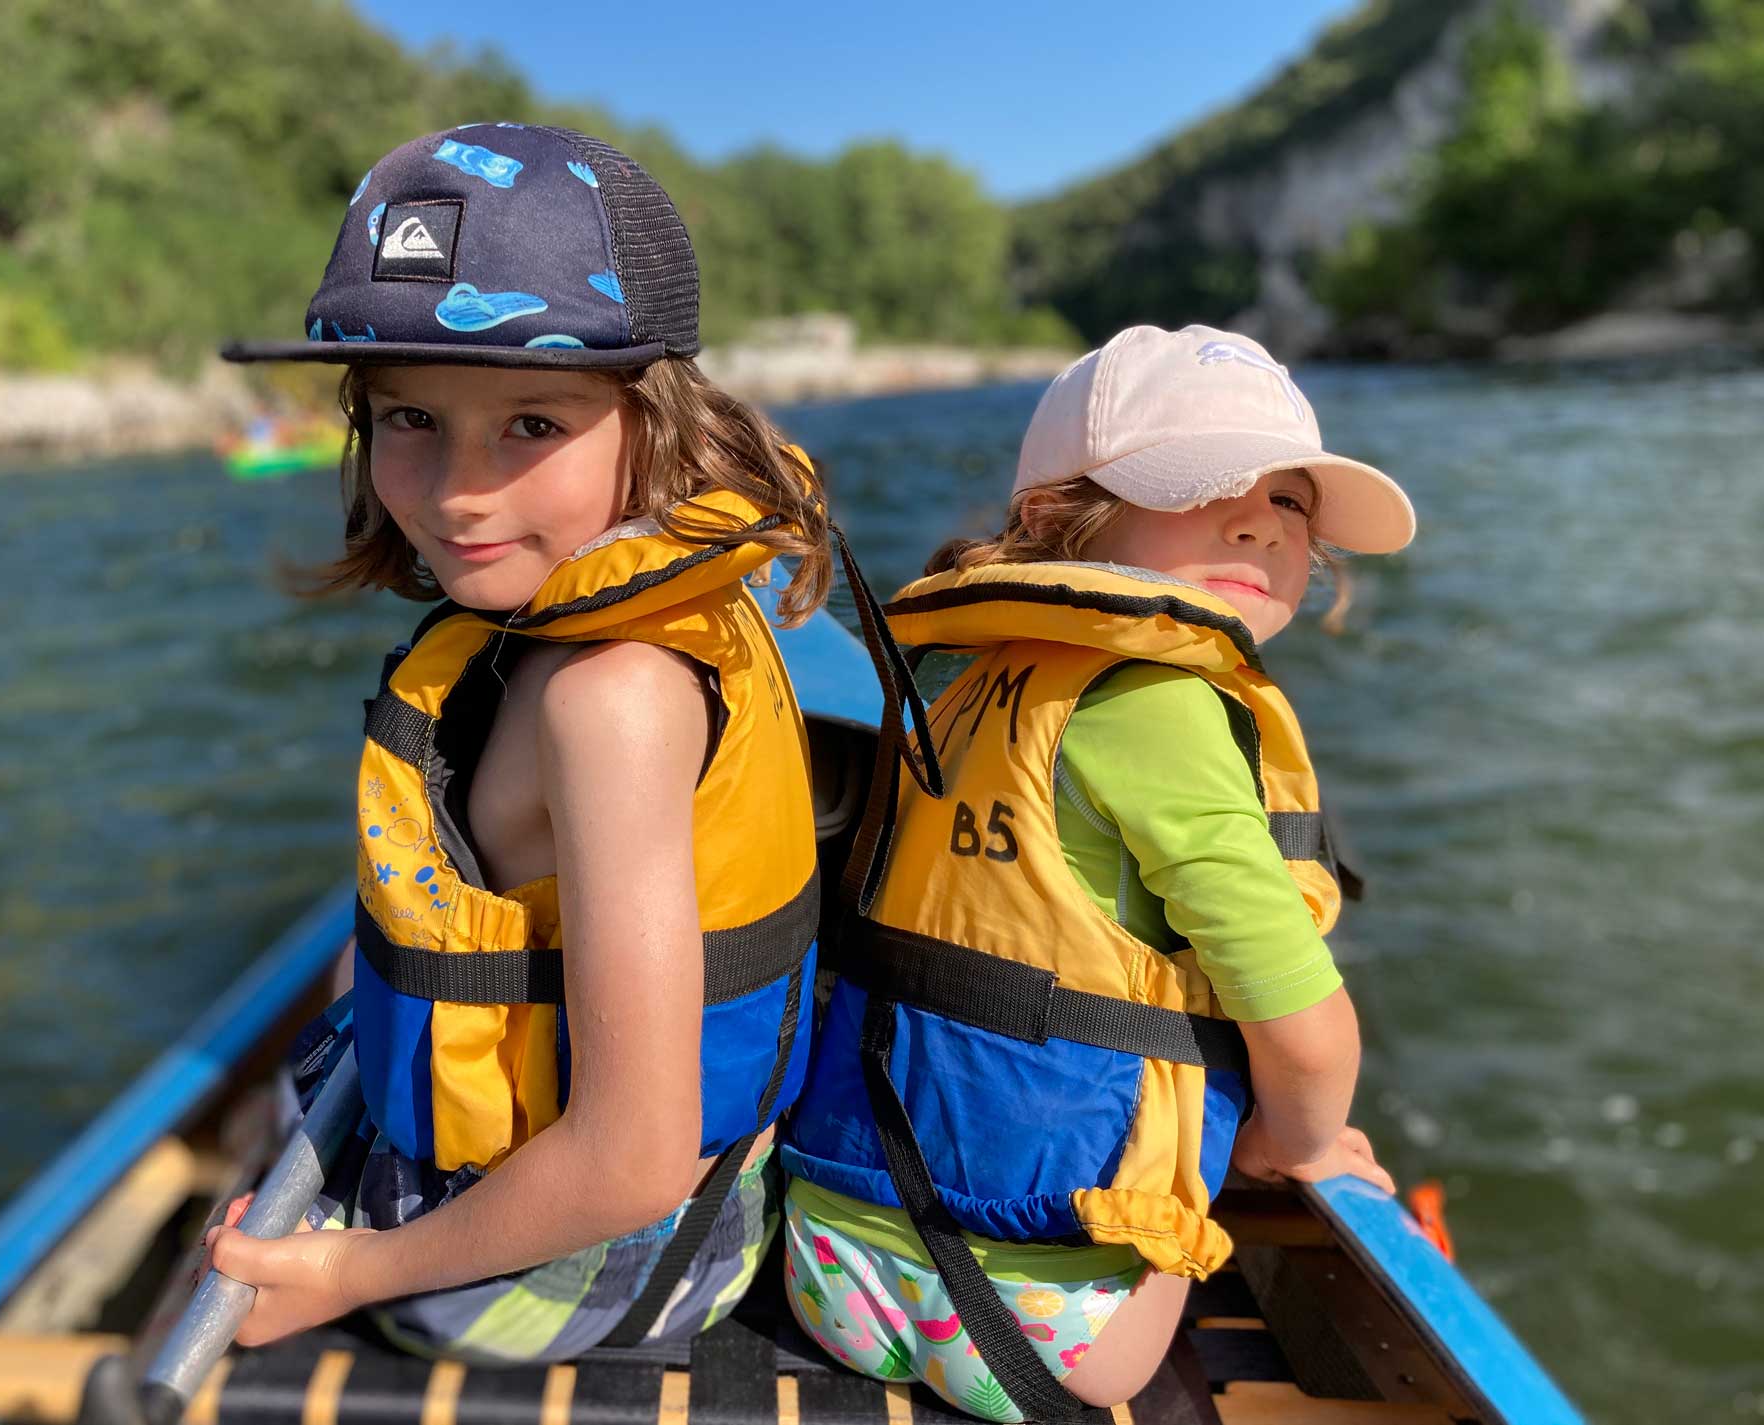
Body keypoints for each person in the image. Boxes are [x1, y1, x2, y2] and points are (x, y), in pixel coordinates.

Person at [202, 123, 834, 1363]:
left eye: (531, 425)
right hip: (661, 1207)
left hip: (608, 1257)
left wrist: (348, 1272)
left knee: (249, 1195)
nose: (455, 492)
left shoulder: (613, 699)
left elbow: (632, 1159)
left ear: (659, 422)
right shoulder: (664, 596)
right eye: (409, 419)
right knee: (316, 1047)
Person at [780, 325, 1414, 1421]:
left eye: (1294, 502)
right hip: (1051, 1326)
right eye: (1204, 482)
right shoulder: (1158, 705)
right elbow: (1305, 1028)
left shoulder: (965, 674)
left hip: (827, 1257)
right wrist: (1292, 1142)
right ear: (1053, 518)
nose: (1258, 518)